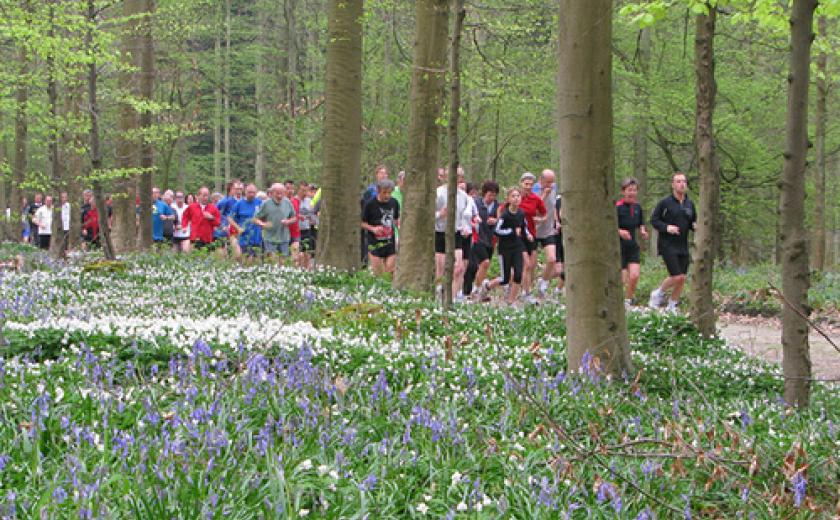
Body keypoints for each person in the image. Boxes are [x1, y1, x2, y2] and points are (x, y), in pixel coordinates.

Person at [649, 172, 696, 312]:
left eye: (684, 182)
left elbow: (693, 221)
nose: (682, 184)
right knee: (677, 276)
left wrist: (695, 226)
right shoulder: (665, 203)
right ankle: (658, 293)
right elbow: (654, 220)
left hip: (682, 244)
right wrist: (667, 227)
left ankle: (672, 305)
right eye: (678, 181)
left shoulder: (689, 204)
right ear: (673, 185)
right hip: (667, 245)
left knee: (682, 278)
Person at [480, 186, 532, 305]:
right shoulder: (505, 215)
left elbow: (524, 227)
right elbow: (497, 231)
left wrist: (528, 235)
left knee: (518, 274)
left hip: (517, 247)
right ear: (508, 199)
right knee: (505, 278)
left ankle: (511, 301)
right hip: (505, 249)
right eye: (513, 196)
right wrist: (512, 231)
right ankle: (487, 286)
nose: (516, 198)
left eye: (518, 196)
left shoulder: (521, 213)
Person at [434, 168, 472, 302]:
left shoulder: (464, 196)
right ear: (445, 177)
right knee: (442, 269)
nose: (456, 179)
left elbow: (465, 216)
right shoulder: (438, 193)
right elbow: (427, 218)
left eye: (459, 177)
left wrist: (466, 228)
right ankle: (438, 295)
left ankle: (452, 298)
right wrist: (440, 214)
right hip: (440, 233)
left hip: (456, 234)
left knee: (459, 268)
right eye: (453, 176)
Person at [463, 181, 499, 300]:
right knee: (484, 262)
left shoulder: (497, 206)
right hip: (477, 238)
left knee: (482, 266)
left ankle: (476, 288)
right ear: (484, 193)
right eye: (490, 194)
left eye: (494, 195)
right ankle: (475, 289)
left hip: (490, 239)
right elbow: (469, 216)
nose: (492, 198)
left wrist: (496, 221)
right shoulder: (476, 203)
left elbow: (502, 219)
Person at [616, 178, 649, 307]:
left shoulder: (637, 207)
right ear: (623, 192)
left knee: (634, 276)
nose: (632, 193)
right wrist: (620, 232)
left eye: (634, 190)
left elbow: (641, 224)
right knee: (622, 278)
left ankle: (628, 300)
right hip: (619, 246)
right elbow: (608, 226)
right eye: (629, 190)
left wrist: (643, 231)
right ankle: (618, 302)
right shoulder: (617, 207)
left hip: (632, 245)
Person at [518, 172, 547, 303]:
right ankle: (526, 292)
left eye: (530, 184)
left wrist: (540, 219)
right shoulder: (516, 198)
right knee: (527, 265)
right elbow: (503, 210)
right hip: (519, 236)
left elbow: (544, 214)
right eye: (526, 184)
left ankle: (525, 289)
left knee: (532, 265)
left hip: (532, 234)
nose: (528, 187)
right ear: (521, 184)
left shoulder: (536, 199)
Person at [362, 178, 400, 276]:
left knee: (390, 273)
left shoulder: (394, 203)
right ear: (378, 191)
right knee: (379, 276)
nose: (387, 195)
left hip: (389, 243)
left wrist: (400, 229)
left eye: (389, 193)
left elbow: (396, 220)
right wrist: (373, 229)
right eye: (384, 193)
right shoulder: (370, 204)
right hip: (374, 244)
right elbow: (361, 222)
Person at [254, 183, 297, 260]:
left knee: (284, 261)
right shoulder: (266, 204)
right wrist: (263, 224)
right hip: (270, 238)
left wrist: (288, 221)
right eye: (277, 193)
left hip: (284, 237)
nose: (280, 195)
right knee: (272, 261)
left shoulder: (287, 203)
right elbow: (256, 219)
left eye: (282, 193)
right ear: (272, 193)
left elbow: (294, 218)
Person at [534, 169, 560, 298]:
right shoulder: (534, 189)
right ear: (541, 180)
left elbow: (554, 206)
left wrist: (557, 221)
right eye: (548, 182)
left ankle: (543, 282)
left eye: (552, 182)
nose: (550, 185)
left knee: (552, 259)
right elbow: (533, 207)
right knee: (530, 264)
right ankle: (524, 290)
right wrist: (544, 194)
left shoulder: (554, 188)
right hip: (534, 230)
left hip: (548, 230)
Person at [231, 184, 263, 262]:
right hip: (245, 237)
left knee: (256, 260)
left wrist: (262, 224)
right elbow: (230, 218)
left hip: (257, 237)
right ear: (245, 192)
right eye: (249, 192)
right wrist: (238, 228)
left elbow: (264, 216)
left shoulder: (259, 202)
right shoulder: (239, 204)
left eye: (253, 192)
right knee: (248, 260)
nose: (252, 194)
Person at [297, 181, 316, 270]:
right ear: (299, 190)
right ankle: (299, 269)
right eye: (303, 190)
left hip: (307, 228)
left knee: (307, 252)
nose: (304, 193)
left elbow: (312, 214)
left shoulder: (309, 201)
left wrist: (313, 219)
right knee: (299, 253)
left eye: (306, 190)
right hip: (297, 230)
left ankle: (307, 270)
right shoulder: (295, 200)